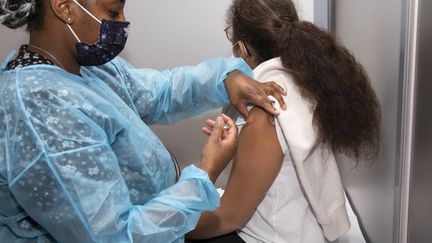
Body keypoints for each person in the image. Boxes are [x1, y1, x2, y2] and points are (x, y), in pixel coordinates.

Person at [0, 0, 287, 242]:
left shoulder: (84, 69)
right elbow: (111, 236)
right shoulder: (39, 105)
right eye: (113, 13)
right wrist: (206, 172)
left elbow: (159, 91)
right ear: (64, 8)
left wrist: (226, 78)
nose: (123, 23)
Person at [187, 0, 381, 242]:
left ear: (241, 49)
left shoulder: (266, 109)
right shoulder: (309, 80)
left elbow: (230, 216)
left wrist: (171, 227)